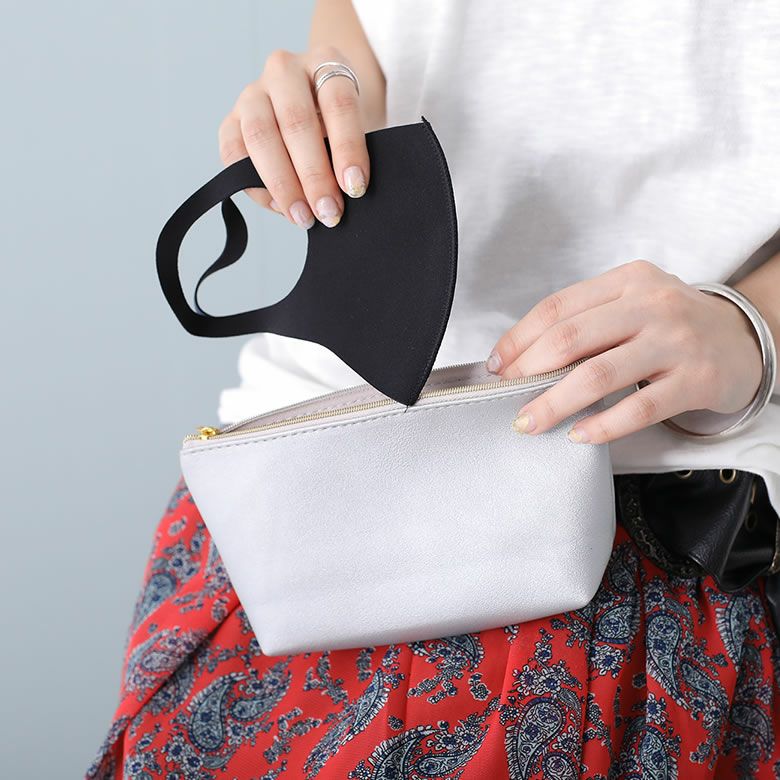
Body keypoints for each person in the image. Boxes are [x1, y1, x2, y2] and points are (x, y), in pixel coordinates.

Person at [87, 1, 780, 777]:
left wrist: (751, 324)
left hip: (663, 531)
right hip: (286, 503)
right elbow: (370, 21)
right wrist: (330, 84)